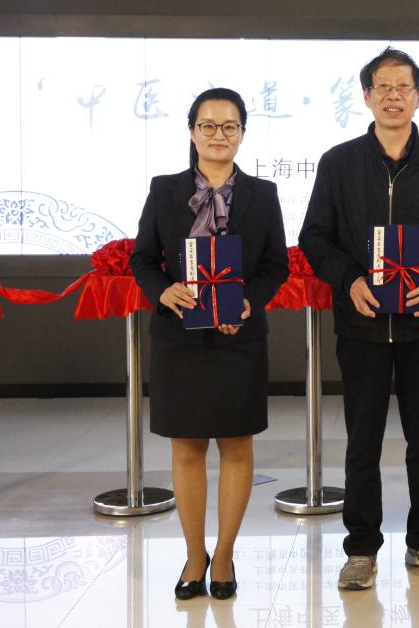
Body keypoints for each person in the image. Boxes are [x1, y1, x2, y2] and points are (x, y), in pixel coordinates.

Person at [300, 47, 419, 591]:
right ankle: (361, 549)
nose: (393, 96)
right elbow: (314, 237)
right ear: (366, 95)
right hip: (363, 324)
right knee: (362, 442)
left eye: (404, 87)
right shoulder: (339, 162)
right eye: (383, 86)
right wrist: (348, 279)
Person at [131, 87, 289, 601]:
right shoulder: (164, 189)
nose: (219, 135)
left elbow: (276, 266)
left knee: (237, 446)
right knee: (187, 447)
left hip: (240, 338)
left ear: (242, 133)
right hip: (179, 338)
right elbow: (142, 259)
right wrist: (164, 291)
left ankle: (223, 555)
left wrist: (248, 301)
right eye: (208, 125)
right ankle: (194, 554)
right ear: (192, 131)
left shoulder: (263, 193)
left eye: (230, 126)